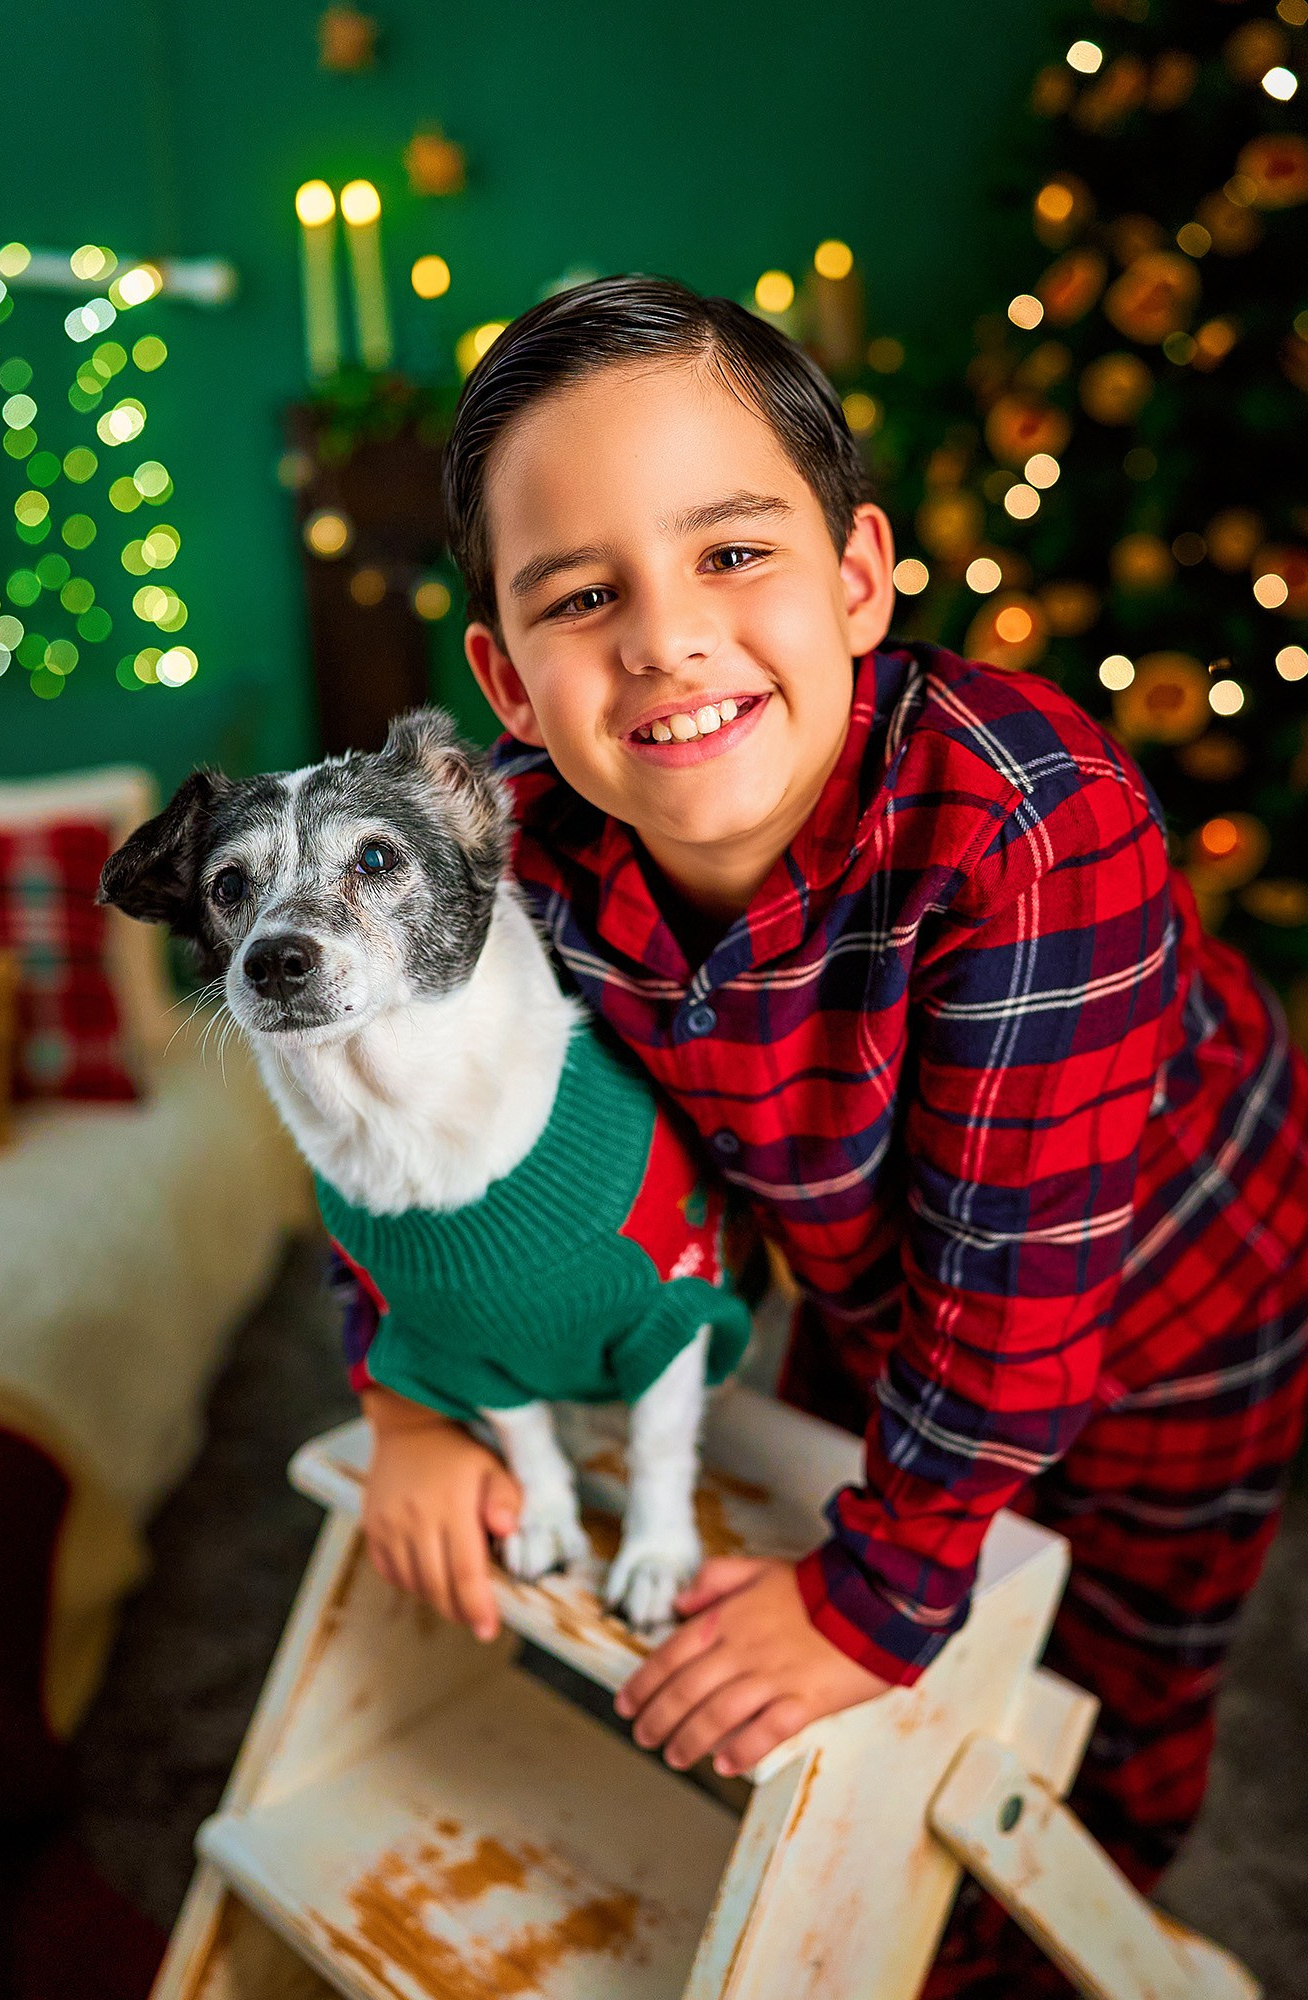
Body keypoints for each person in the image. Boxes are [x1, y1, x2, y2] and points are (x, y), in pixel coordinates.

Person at [341, 275, 1308, 1994]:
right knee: (760, 1639)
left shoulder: (1030, 820)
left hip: (1176, 1285)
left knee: (1107, 1675)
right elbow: (406, 1131)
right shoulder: (512, 857)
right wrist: (409, 1390)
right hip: (867, 1289)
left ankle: (1063, 1946)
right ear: (502, 673)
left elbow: (1011, 1302)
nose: (664, 638)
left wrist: (884, 1594)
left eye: (731, 555)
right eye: (583, 595)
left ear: (857, 578)